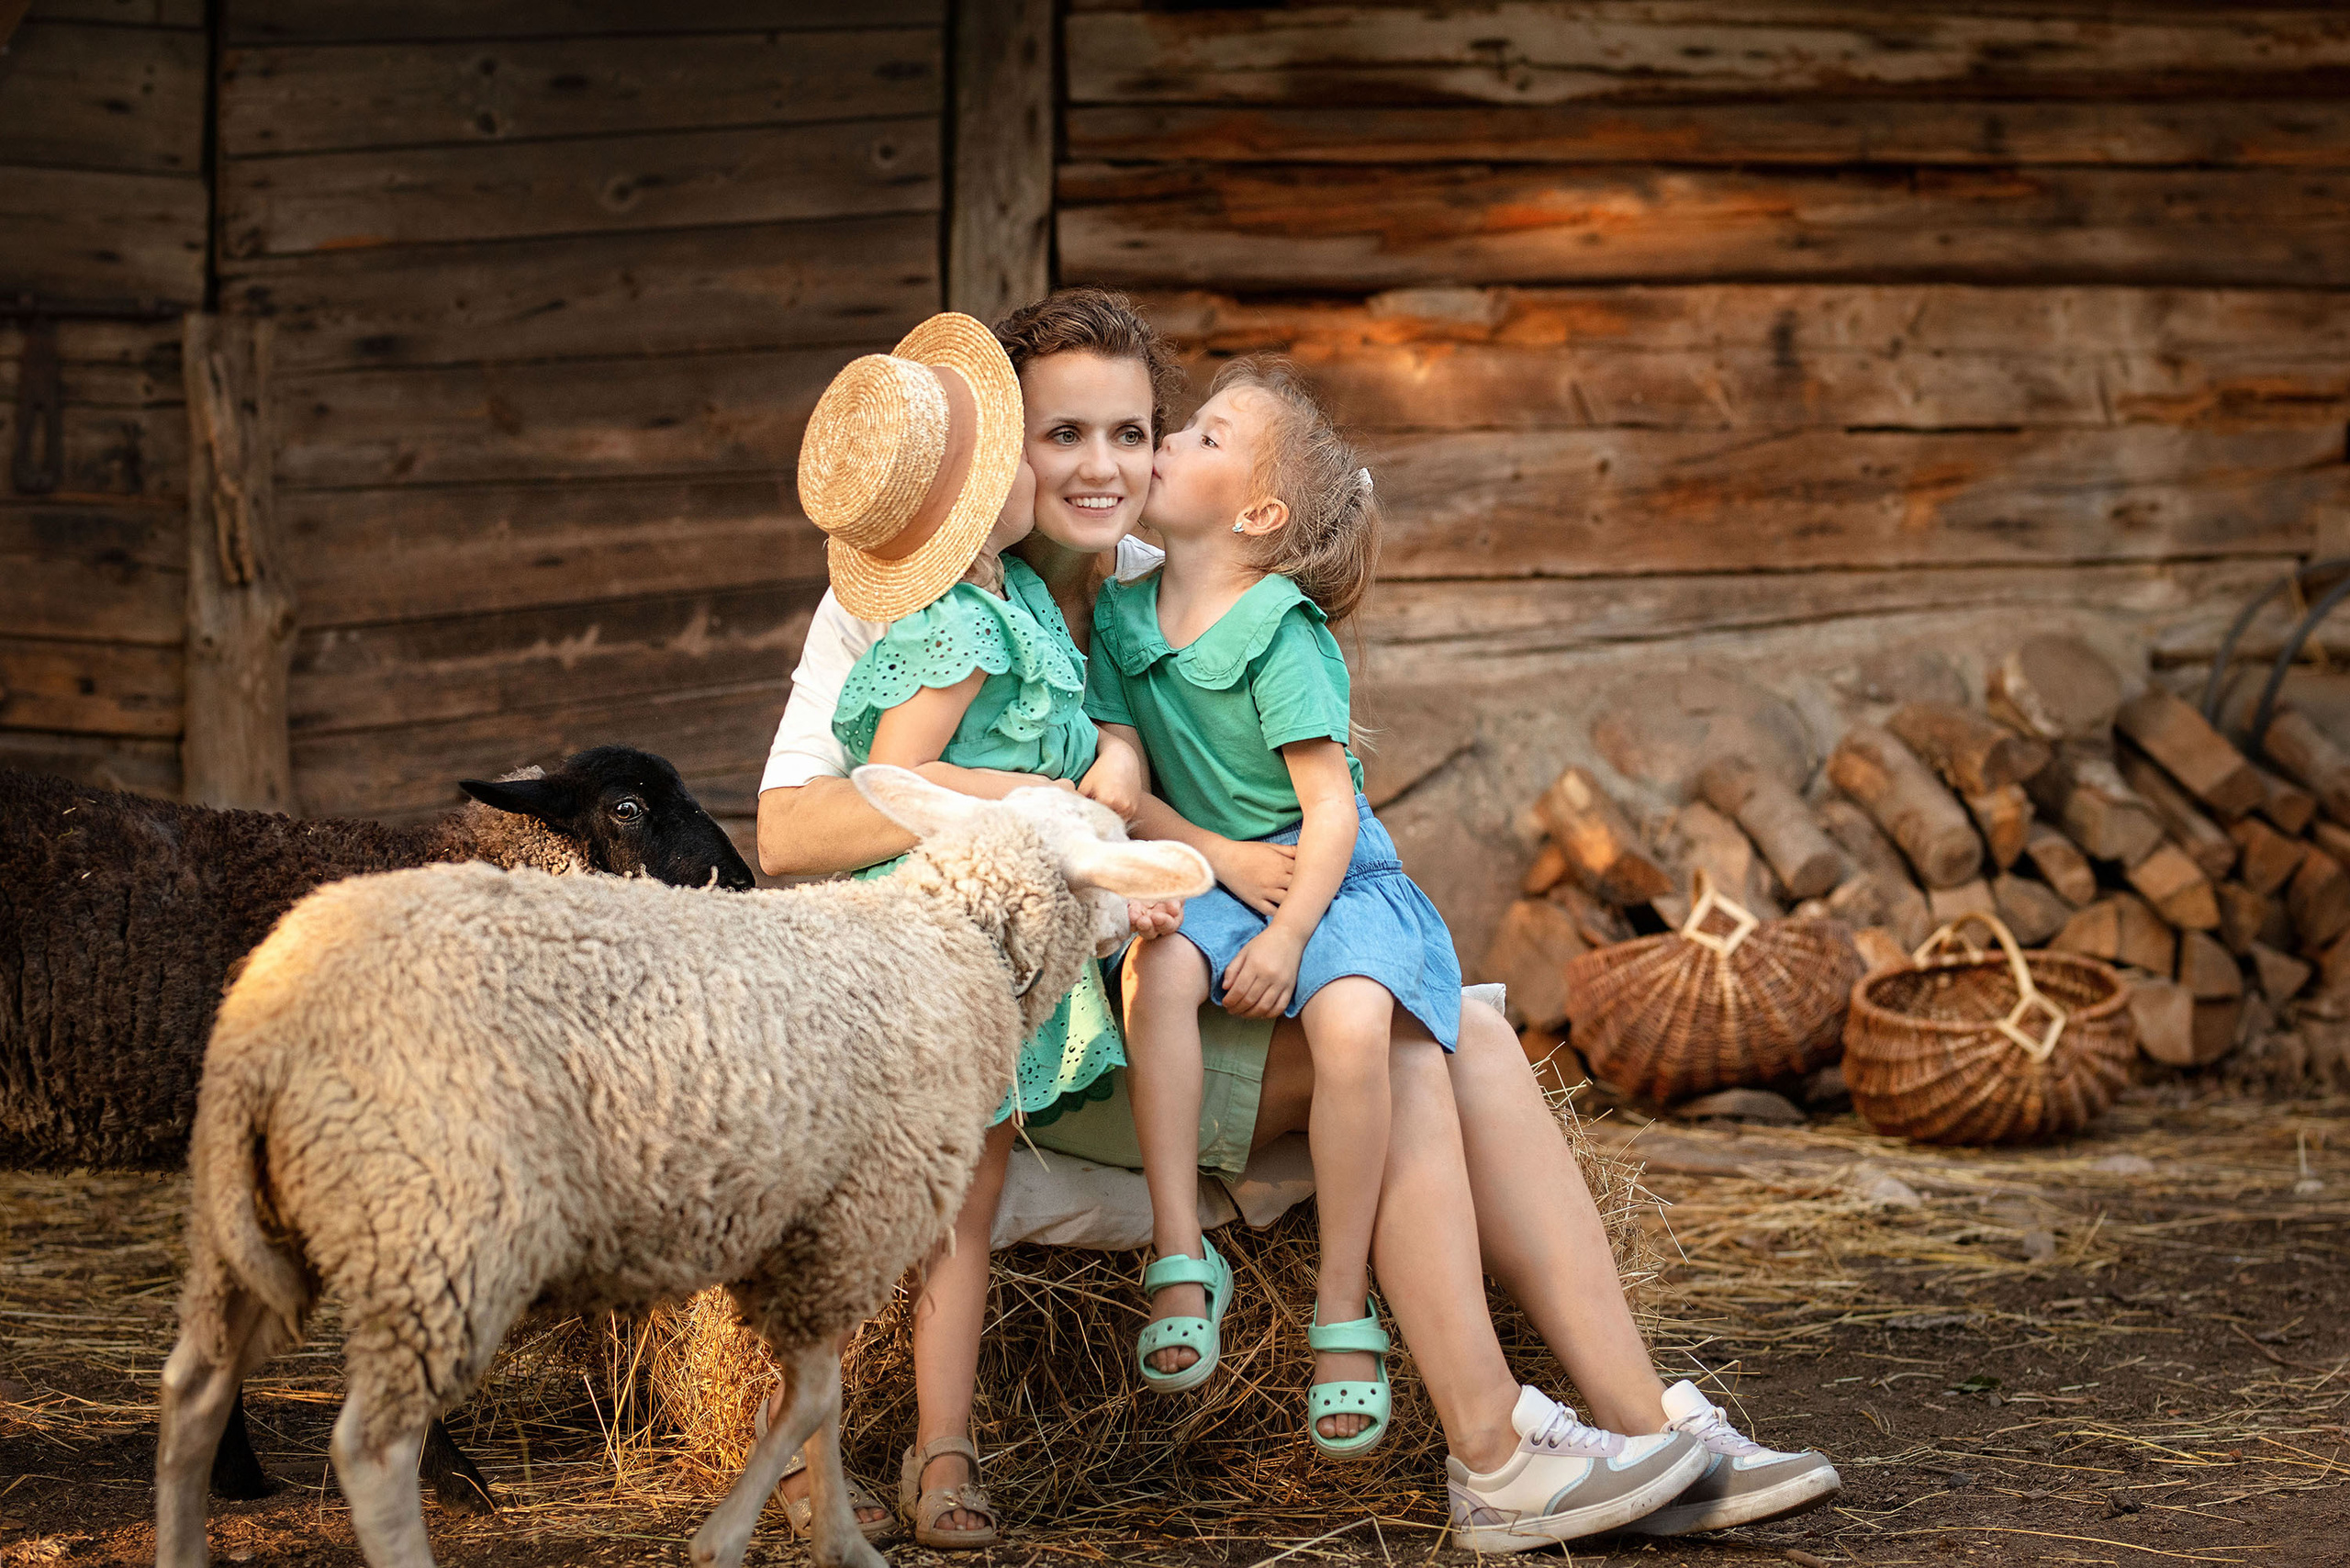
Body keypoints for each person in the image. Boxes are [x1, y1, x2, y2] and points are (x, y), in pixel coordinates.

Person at [757, 288, 1841, 1552]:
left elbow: (1276, 798)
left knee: (1463, 1029)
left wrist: (1194, 834)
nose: (1105, 467)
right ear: (1001, 449)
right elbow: (789, 832)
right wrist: (1038, 802)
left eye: (1132, 430)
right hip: (1049, 1037)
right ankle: (1493, 1450)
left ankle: (1649, 1430)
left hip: (1171, 984)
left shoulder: (1178, 584)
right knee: (1409, 1045)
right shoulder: (908, 600)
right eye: (1064, 436)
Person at [1084, 357, 1460, 1465]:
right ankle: (1176, 1255)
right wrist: (1215, 863)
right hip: (1208, 865)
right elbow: (1132, 782)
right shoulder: (1119, 617)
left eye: (1201, 436)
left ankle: (1341, 1308)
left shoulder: (1283, 630)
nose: (1168, 439)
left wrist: (1292, 934)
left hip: (1318, 878)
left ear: (1254, 511)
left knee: (1349, 1026)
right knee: (1159, 977)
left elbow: (1333, 812)